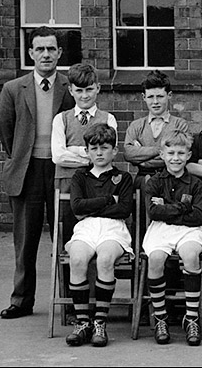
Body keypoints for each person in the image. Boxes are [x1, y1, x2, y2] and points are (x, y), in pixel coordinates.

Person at [0, 25, 75, 319]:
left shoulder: (70, 87)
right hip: (27, 171)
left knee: (65, 237)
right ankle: (21, 300)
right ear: (30, 53)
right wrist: (22, 157)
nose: (46, 54)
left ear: (59, 53)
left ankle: (70, 302)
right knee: (25, 240)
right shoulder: (13, 89)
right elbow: (6, 132)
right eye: (40, 49)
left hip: (60, 170)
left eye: (51, 48)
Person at [64, 123, 134, 347]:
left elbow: (124, 209)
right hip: (86, 227)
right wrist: (107, 200)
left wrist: (90, 206)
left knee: (105, 259)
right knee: (77, 259)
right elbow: (77, 207)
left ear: (114, 150)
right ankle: (83, 322)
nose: (99, 152)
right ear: (87, 151)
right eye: (94, 148)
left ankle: (100, 323)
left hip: (113, 228)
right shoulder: (80, 177)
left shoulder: (123, 178)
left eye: (105, 148)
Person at [142, 130, 202, 346]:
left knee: (190, 255)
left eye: (181, 153)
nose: (175, 158)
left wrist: (168, 208)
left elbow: (198, 215)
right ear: (162, 154)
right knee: (156, 259)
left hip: (189, 230)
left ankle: (191, 318)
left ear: (189, 155)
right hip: (160, 229)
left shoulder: (196, 184)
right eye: (170, 152)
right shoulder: (154, 181)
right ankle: (160, 317)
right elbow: (154, 212)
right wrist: (182, 208)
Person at [52, 63, 118, 244]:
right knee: (67, 233)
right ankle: (67, 273)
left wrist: (73, 149)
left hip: (99, 182)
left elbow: (108, 154)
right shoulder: (61, 119)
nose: (85, 95)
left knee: (99, 233)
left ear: (98, 88)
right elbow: (58, 156)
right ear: (71, 90)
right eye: (79, 90)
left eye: (89, 89)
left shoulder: (108, 119)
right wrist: (89, 156)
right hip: (67, 181)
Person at [124, 70, 190, 191]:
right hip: (143, 180)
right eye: (150, 97)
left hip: (171, 181)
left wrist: (142, 156)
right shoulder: (136, 125)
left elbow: (178, 156)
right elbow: (128, 154)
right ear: (144, 97)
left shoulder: (180, 125)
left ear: (169, 95)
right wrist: (163, 150)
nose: (155, 102)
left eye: (160, 96)